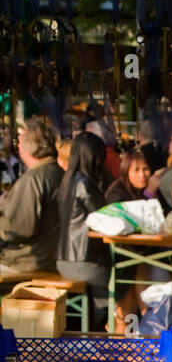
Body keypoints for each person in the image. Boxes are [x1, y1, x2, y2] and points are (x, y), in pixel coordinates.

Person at [55, 131, 111, 328]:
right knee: (124, 285)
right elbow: (105, 218)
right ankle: (126, 331)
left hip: (64, 260)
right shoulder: (84, 185)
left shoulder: (66, 182)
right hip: (85, 261)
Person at [0, 117, 63, 276]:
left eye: (19, 141)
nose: (18, 145)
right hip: (49, 256)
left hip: (27, 260)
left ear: (29, 147)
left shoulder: (33, 179)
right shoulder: (58, 173)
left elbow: (16, 230)